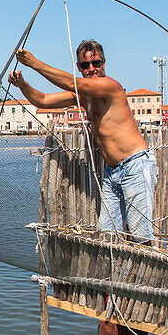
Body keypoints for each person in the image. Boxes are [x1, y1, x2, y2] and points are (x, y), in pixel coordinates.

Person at [9, 40, 158, 239]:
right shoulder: (83, 95)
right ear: (79, 67)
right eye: (85, 65)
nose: (92, 69)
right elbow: (42, 100)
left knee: (141, 237)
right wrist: (22, 85)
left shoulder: (110, 86)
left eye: (96, 63)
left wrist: (34, 63)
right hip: (112, 172)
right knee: (107, 235)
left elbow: (72, 83)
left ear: (104, 63)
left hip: (135, 167)